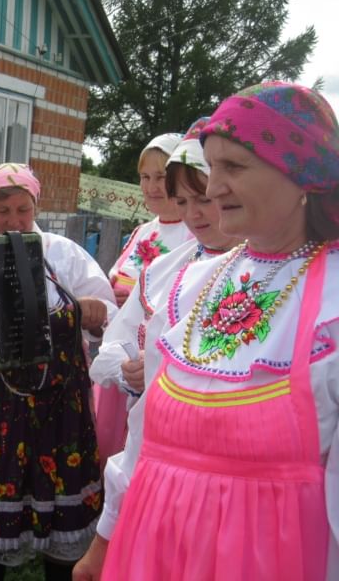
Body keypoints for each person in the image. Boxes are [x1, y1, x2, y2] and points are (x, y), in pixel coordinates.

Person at [74, 81, 339, 581]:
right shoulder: (192, 284)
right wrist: (106, 540)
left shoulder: (331, 302)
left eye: (234, 167)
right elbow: (143, 435)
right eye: (212, 166)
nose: (213, 188)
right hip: (151, 549)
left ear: (302, 172)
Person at [0, 163, 116, 581]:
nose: (13, 220)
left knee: (63, 535)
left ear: (36, 207)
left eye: (22, 210)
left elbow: (110, 315)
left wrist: (94, 314)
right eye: (2, 211)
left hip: (60, 416)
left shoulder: (62, 253)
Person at [91, 117, 242, 403]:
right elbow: (114, 340)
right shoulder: (163, 268)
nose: (192, 214)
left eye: (204, 200)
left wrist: (162, 365)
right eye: (182, 202)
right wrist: (129, 370)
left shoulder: (261, 265)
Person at [108, 133, 192, 307]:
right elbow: (116, 276)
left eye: (161, 177)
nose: (151, 187)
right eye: (145, 177)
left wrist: (136, 299)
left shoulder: (198, 236)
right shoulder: (141, 231)